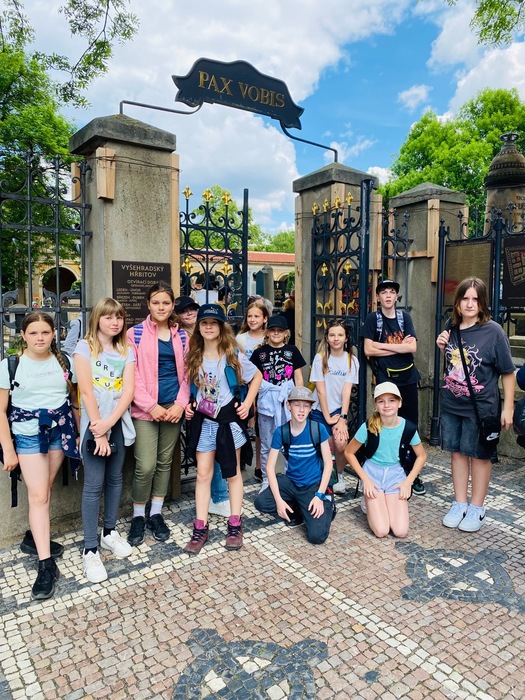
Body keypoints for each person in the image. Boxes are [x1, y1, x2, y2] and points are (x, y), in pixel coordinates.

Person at [0, 312, 80, 600]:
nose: (40, 338)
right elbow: (0, 411)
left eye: (45, 332)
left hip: (59, 432)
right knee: (38, 496)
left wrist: (79, 433)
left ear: (53, 333)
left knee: (44, 490)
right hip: (28, 436)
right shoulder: (11, 365)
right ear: (23, 335)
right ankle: (46, 564)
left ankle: (33, 538)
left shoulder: (65, 362)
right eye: (33, 333)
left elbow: (74, 400)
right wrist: (8, 449)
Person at [436, 277, 515, 532]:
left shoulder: (494, 331)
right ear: (457, 302)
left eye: (475, 299)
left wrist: (508, 408)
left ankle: (477, 508)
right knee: (457, 453)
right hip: (452, 403)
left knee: (480, 456)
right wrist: (442, 347)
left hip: (481, 408)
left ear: (482, 303)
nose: (470, 304)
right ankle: (460, 503)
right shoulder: (451, 326)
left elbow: (508, 372)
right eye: (465, 298)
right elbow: (454, 364)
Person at [184, 303, 262, 554]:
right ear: (199, 327)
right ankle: (200, 526)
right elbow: (192, 387)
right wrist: (189, 406)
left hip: (228, 422)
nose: (209, 327)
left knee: (233, 473)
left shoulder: (232, 354)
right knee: (203, 474)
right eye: (204, 323)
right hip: (204, 422)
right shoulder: (194, 355)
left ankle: (235, 523)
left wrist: (247, 404)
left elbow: (257, 376)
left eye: (213, 323)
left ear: (221, 327)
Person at [74, 298, 136, 583]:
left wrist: (110, 424)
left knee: (115, 478)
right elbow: (86, 391)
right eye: (109, 317)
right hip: (94, 424)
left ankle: (109, 532)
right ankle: (90, 548)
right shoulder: (84, 347)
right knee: (93, 484)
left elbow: (128, 391)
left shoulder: (126, 349)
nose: (115, 322)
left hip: (117, 422)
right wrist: (99, 430)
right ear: (97, 318)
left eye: (119, 317)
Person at [126, 282, 190, 546]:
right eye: (156, 302)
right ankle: (138, 516)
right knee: (145, 465)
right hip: (145, 410)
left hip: (173, 408)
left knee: (165, 462)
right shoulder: (135, 334)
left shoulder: (182, 335)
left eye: (166, 303)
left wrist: (180, 404)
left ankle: (155, 513)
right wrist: (150, 406)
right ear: (148, 304)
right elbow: (131, 375)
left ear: (172, 305)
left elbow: (189, 373)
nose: (161, 307)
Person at [363, 279, 425, 496]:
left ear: (396, 296)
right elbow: (368, 350)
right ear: (378, 297)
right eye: (384, 292)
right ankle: (384, 468)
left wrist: (381, 345)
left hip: (408, 378)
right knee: (386, 423)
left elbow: (413, 347)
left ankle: (412, 473)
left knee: (410, 425)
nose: (388, 296)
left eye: (392, 292)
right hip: (386, 379)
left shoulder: (404, 317)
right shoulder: (373, 319)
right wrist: (400, 347)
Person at [344, 382, 426, 538]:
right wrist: (366, 480)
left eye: (392, 400)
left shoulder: (408, 428)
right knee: (382, 530)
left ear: (399, 403)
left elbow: (421, 456)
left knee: (400, 531)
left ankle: (383, 501)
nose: (387, 405)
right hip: (372, 475)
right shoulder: (369, 426)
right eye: (381, 401)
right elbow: (349, 452)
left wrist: (408, 482)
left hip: (395, 475)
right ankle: (369, 501)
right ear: (376, 405)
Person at [254, 386, 334, 544]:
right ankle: (297, 509)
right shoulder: (281, 432)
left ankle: (327, 502)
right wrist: (278, 501)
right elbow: (270, 467)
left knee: (317, 536)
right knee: (261, 502)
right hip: (291, 483)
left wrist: (319, 495)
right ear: (288, 405)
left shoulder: (318, 429)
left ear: (310, 408)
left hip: (312, 485)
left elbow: (328, 464)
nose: (301, 410)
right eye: (297, 405)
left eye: (306, 406)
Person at [175, 294, 231, 518]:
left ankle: (219, 496)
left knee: (218, 451)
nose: (189, 313)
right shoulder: (179, 337)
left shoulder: (217, 340)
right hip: (191, 400)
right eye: (183, 310)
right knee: (203, 452)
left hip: (217, 405)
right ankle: (214, 496)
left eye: (192, 309)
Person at [250, 315, 306, 488]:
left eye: (279, 330)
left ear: (286, 333)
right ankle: (267, 478)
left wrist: (299, 401)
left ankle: (291, 476)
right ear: (267, 332)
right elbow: (255, 380)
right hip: (267, 402)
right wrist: (253, 407)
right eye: (272, 330)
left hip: (287, 400)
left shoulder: (292, 351)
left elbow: (298, 377)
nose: (276, 333)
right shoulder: (259, 353)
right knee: (266, 443)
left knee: (291, 440)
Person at [310, 319, 359, 495]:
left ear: (346, 338)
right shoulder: (320, 358)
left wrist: (343, 418)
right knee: (326, 444)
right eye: (332, 335)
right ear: (327, 337)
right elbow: (320, 391)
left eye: (340, 335)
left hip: (338, 410)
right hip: (319, 410)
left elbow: (347, 391)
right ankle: (324, 476)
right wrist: (327, 417)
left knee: (341, 442)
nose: (336, 338)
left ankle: (339, 475)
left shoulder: (351, 361)